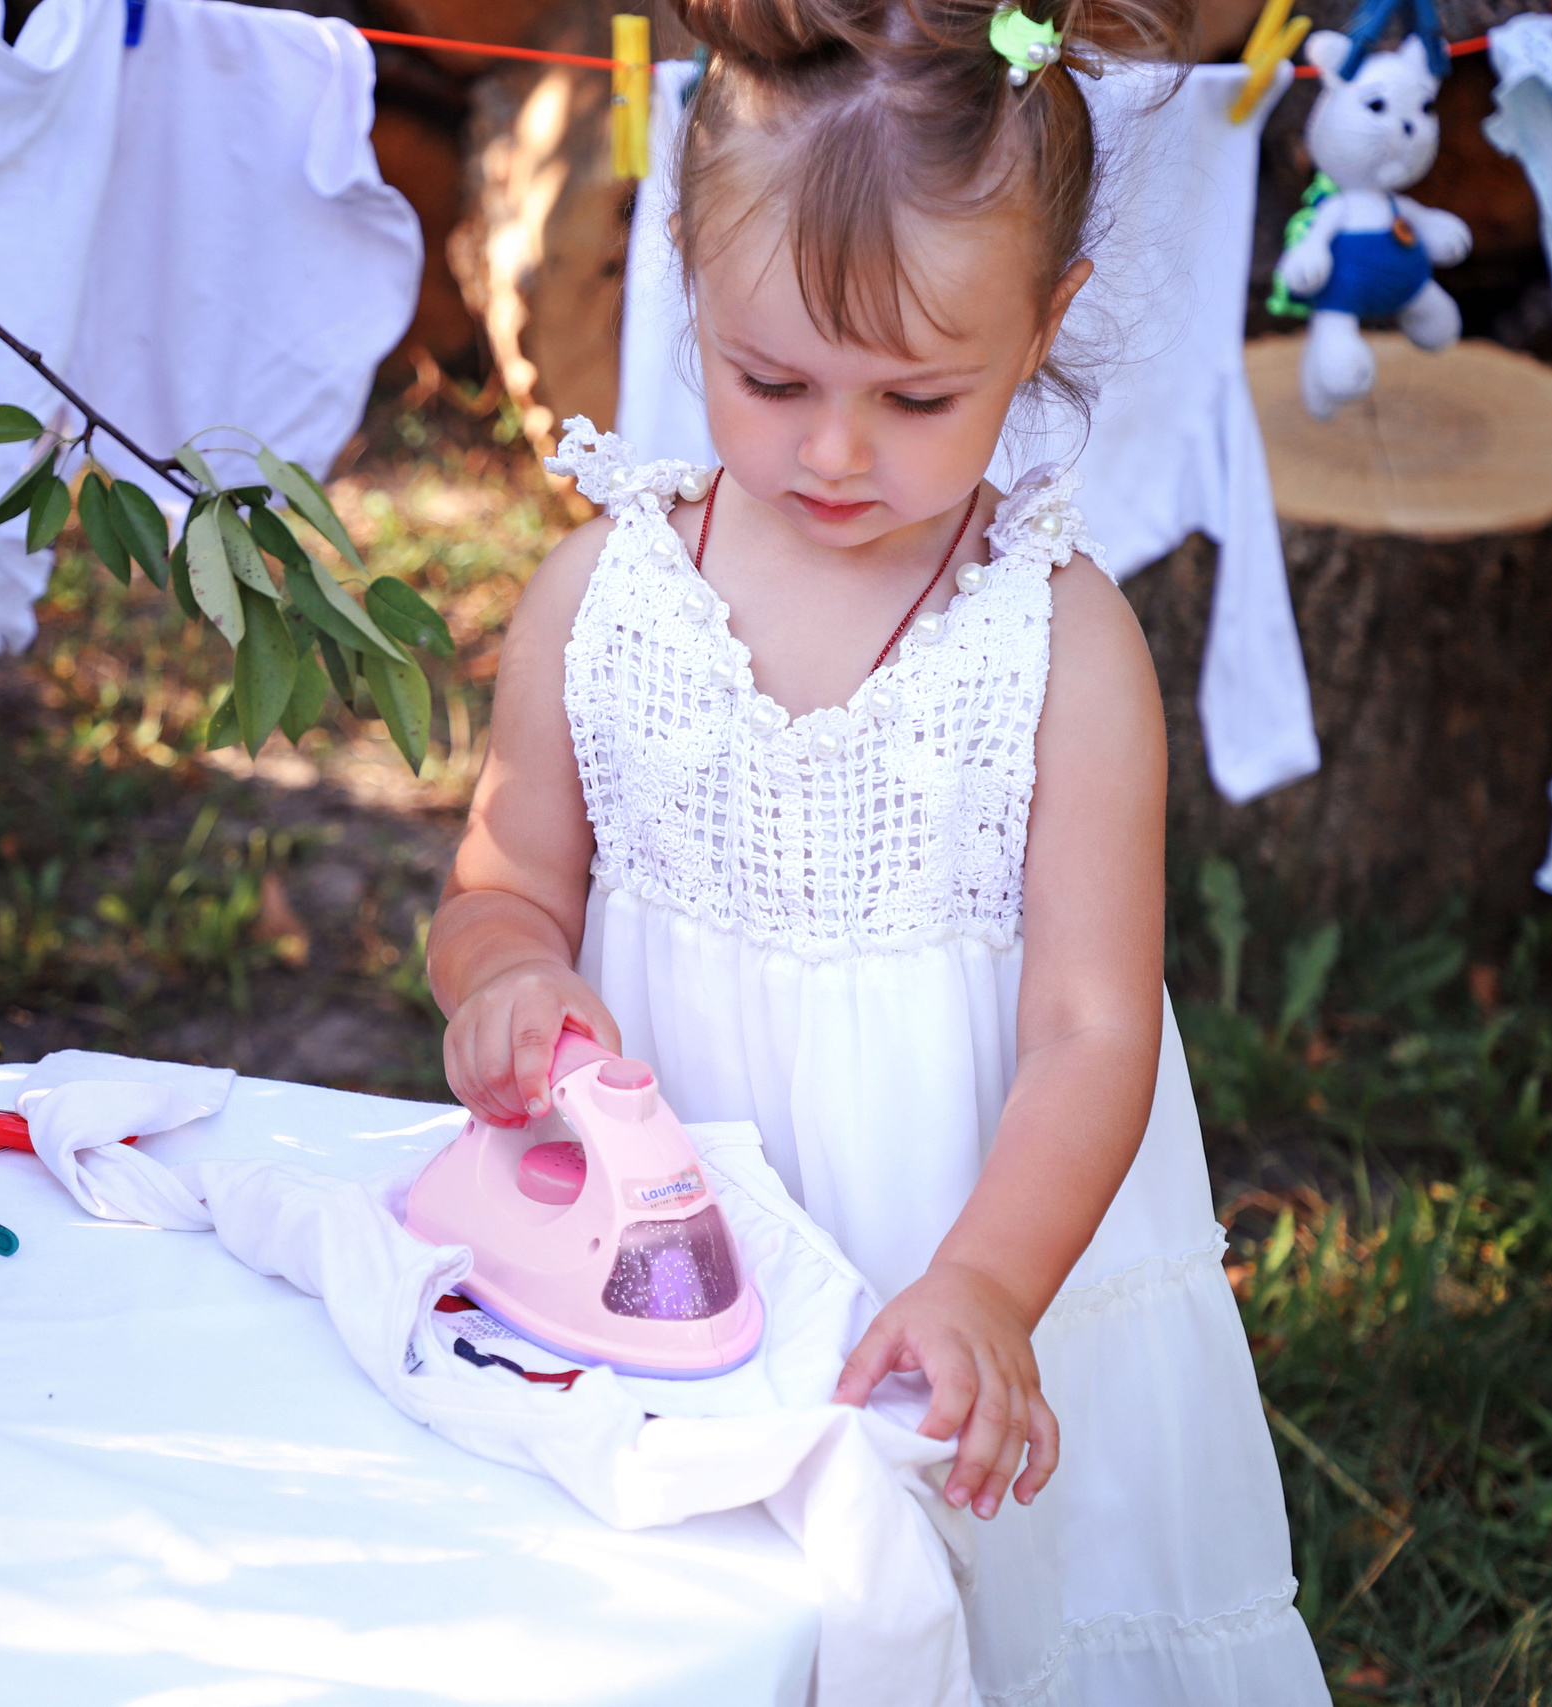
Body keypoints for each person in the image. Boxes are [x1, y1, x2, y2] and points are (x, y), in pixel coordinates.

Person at [424, 0, 1330, 1698]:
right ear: (689, 275)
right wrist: (507, 976)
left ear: (1042, 323)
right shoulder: (601, 596)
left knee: (975, 1625)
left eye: (918, 396)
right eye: (773, 381)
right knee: (692, 1625)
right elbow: (504, 880)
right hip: (663, 1249)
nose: (835, 452)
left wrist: (987, 1282)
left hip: (959, 1237)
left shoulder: (1057, 645)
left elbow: (1093, 1025)